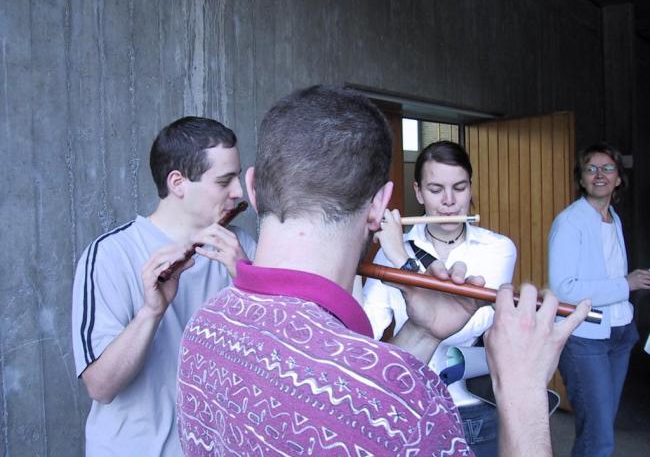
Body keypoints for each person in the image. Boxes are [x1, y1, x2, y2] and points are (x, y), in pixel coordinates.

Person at [177, 85, 590, 457]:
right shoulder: (412, 409)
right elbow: (368, 397)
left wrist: (422, 332)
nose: (449, 200)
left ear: (252, 187)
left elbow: (359, 397)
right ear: (380, 206)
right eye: (436, 189)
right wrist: (522, 395)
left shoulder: (203, 328)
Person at [71, 117, 256, 456]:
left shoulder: (242, 246)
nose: (238, 192)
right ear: (178, 183)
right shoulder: (111, 254)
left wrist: (248, 280)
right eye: (224, 181)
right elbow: (100, 387)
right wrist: (151, 312)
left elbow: (274, 360)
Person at [363, 140, 516, 456]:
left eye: (459, 188)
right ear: (418, 192)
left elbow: (464, 328)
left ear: (470, 188)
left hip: (470, 408)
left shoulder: (498, 248)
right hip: (408, 403)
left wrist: (402, 259)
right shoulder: (389, 250)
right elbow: (368, 333)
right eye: (435, 190)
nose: (449, 201)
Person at [548, 142, 649, 457]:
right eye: (591, 169)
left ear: (618, 178)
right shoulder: (570, 222)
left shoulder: (612, 218)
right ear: (581, 179)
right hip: (585, 338)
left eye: (607, 168)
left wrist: (628, 284)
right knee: (599, 437)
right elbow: (564, 289)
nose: (599, 175)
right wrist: (626, 284)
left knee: (598, 430)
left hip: (619, 333)